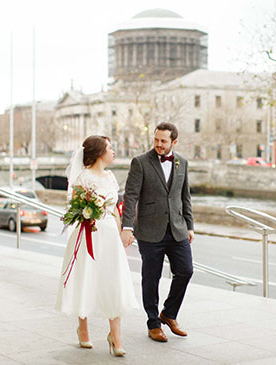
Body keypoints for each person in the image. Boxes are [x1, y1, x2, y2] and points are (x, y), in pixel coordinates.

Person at [56, 135, 138, 357]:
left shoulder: (111, 177)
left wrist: (122, 232)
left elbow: (114, 209)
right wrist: (86, 212)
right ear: (99, 152)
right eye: (110, 148)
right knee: (87, 278)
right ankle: (83, 329)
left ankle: (116, 337)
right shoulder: (82, 178)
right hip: (89, 234)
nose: (113, 151)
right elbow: (75, 207)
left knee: (114, 282)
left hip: (110, 235)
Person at [121, 122, 194, 343]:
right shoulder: (140, 162)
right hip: (150, 231)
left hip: (177, 228)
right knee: (151, 279)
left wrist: (190, 225)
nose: (159, 145)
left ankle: (169, 314)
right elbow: (130, 196)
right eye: (156, 140)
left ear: (174, 141)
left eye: (163, 141)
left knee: (186, 271)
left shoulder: (182, 163)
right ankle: (153, 323)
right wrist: (127, 227)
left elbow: (185, 196)